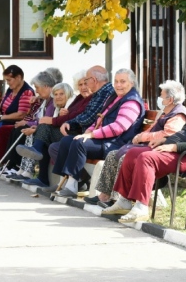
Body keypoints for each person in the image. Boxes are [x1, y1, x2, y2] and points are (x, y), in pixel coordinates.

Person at [102, 82, 186, 224]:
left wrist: (174, 147)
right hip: (180, 152)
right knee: (133, 153)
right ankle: (124, 201)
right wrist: (164, 140)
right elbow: (184, 134)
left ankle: (141, 206)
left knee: (147, 158)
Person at [86, 80, 186, 208]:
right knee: (113, 154)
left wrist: (143, 136)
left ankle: (121, 198)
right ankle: (105, 196)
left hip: (161, 150)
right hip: (150, 146)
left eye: (161, 95)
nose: (159, 98)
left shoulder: (178, 114)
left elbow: (169, 134)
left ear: (170, 99)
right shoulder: (167, 111)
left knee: (126, 157)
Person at [49, 68, 146, 198]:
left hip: (117, 144)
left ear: (132, 83)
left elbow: (118, 127)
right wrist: (89, 131)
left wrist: (91, 135)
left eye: (122, 81)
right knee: (67, 141)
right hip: (106, 140)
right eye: (116, 81)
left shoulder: (131, 101)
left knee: (79, 143)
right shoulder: (117, 97)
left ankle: (72, 186)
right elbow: (101, 118)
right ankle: (67, 181)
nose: (118, 85)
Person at [19, 72, 96, 188]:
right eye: (80, 85)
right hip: (70, 131)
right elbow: (69, 116)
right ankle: (42, 176)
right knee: (43, 135)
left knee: (44, 131)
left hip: (78, 134)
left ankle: (37, 153)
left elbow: (74, 117)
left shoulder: (92, 99)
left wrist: (55, 120)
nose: (83, 87)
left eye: (86, 83)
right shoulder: (80, 98)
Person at [0, 71, 58, 179]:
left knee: (25, 130)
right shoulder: (44, 100)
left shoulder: (52, 101)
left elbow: (43, 120)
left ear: (46, 86)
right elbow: (36, 117)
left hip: (49, 131)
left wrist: (28, 123)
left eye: (37, 87)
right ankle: (16, 166)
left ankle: (24, 169)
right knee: (18, 129)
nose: (36, 91)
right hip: (41, 127)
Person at [14, 82, 75, 180]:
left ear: (68, 94)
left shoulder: (71, 105)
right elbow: (54, 123)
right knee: (41, 134)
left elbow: (56, 123)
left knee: (42, 130)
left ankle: (35, 152)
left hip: (71, 136)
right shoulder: (58, 107)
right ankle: (40, 177)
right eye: (55, 94)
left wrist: (65, 116)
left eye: (61, 94)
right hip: (61, 135)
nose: (58, 97)